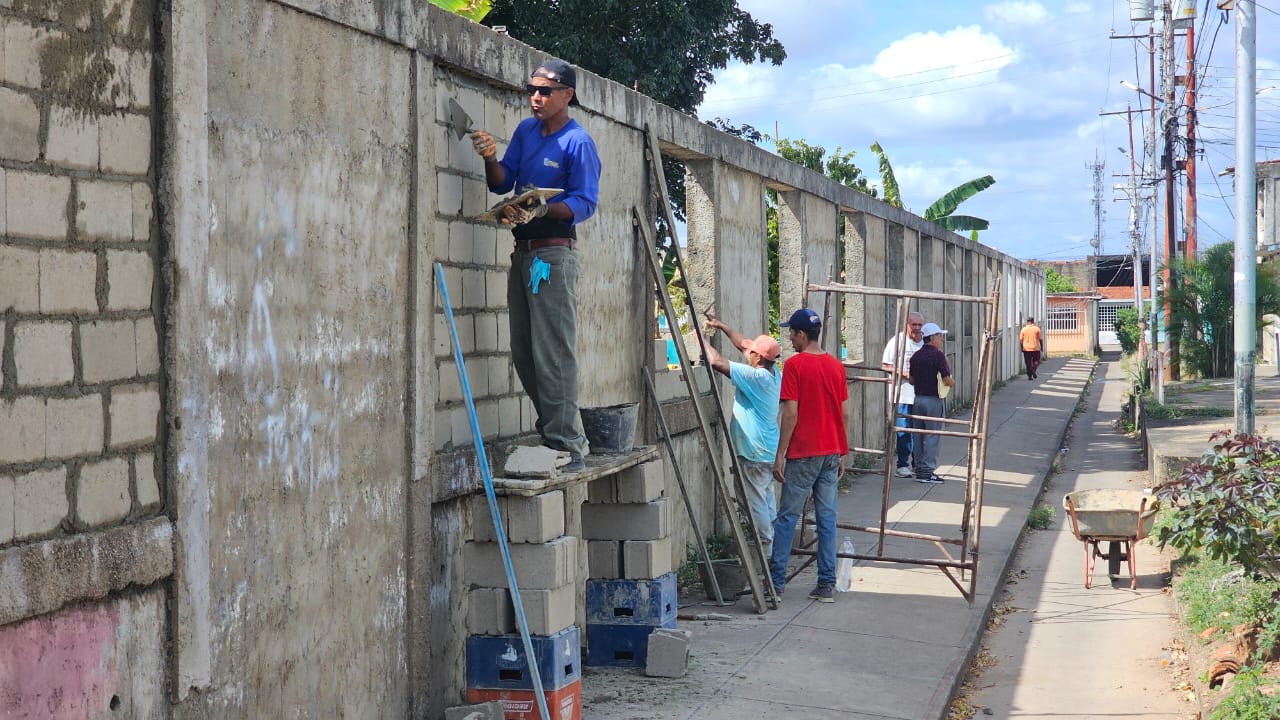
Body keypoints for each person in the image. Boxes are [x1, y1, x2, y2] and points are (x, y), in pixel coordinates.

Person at [470, 59, 601, 472]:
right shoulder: (526, 132)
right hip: (524, 254)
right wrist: (490, 157)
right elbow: (501, 181)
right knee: (525, 352)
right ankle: (553, 438)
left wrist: (543, 206)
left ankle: (569, 445)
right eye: (532, 90)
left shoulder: (578, 142)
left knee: (554, 353)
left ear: (568, 95)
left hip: (553, 255)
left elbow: (585, 202)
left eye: (545, 91)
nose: (536, 98)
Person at [769, 308, 849, 603]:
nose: (789, 337)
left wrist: (781, 453)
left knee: (787, 517)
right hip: (830, 451)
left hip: (804, 453)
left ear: (802, 335)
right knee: (827, 519)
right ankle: (826, 584)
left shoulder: (795, 366)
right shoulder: (836, 367)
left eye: (791, 332)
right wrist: (842, 450)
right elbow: (845, 413)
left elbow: (790, 412)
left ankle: (775, 583)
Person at [701, 315, 782, 563]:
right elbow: (742, 345)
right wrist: (721, 325)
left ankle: (765, 548)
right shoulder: (774, 371)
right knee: (765, 500)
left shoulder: (756, 378)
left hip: (754, 451)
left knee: (755, 502)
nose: (748, 352)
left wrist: (700, 337)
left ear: (759, 358)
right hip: (767, 449)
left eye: (752, 352)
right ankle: (773, 548)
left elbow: (716, 361)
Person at [908, 322, 955, 484]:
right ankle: (928, 471)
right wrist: (952, 383)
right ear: (932, 338)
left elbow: (912, 380)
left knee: (919, 435)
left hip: (918, 399)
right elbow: (946, 379)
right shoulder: (938, 355)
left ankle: (920, 470)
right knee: (933, 435)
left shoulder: (916, 356)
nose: (941, 339)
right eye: (940, 336)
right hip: (933, 400)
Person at [881, 312, 925, 478]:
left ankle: (918, 463)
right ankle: (902, 464)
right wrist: (903, 373)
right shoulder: (897, 342)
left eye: (920, 325)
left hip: (921, 394)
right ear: (907, 324)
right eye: (914, 325)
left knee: (920, 430)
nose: (917, 328)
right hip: (902, 394)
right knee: (903, 430)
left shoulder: (924, 343)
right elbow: (885, 365)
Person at [1020, 316, 1044, 380]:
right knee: (1036, 361)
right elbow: (1040, 339)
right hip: (1035, 348)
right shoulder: (1037, 329)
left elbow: (1021, 341)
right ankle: (1033, 369)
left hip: (1026, 349)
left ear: (1027, 322)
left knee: (1028, 363)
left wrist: (1021, 348)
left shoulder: (1023, 329)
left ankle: (1030, 376)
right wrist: (1042, 347)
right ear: (1033, 321)